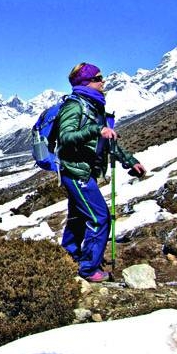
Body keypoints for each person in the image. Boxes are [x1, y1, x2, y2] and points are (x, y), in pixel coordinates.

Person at [58, 63, 147, 282]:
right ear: (86, 82)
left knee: (79, 217)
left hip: (83, 171)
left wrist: (129, 161)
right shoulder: (75, 106)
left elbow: (106, 143)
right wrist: (96, 130)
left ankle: (68, 257)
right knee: (99, 218)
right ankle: (88, 269)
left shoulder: (94, 106)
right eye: (98, 78)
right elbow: (65, 137)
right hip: (76, 172)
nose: (103, 81)